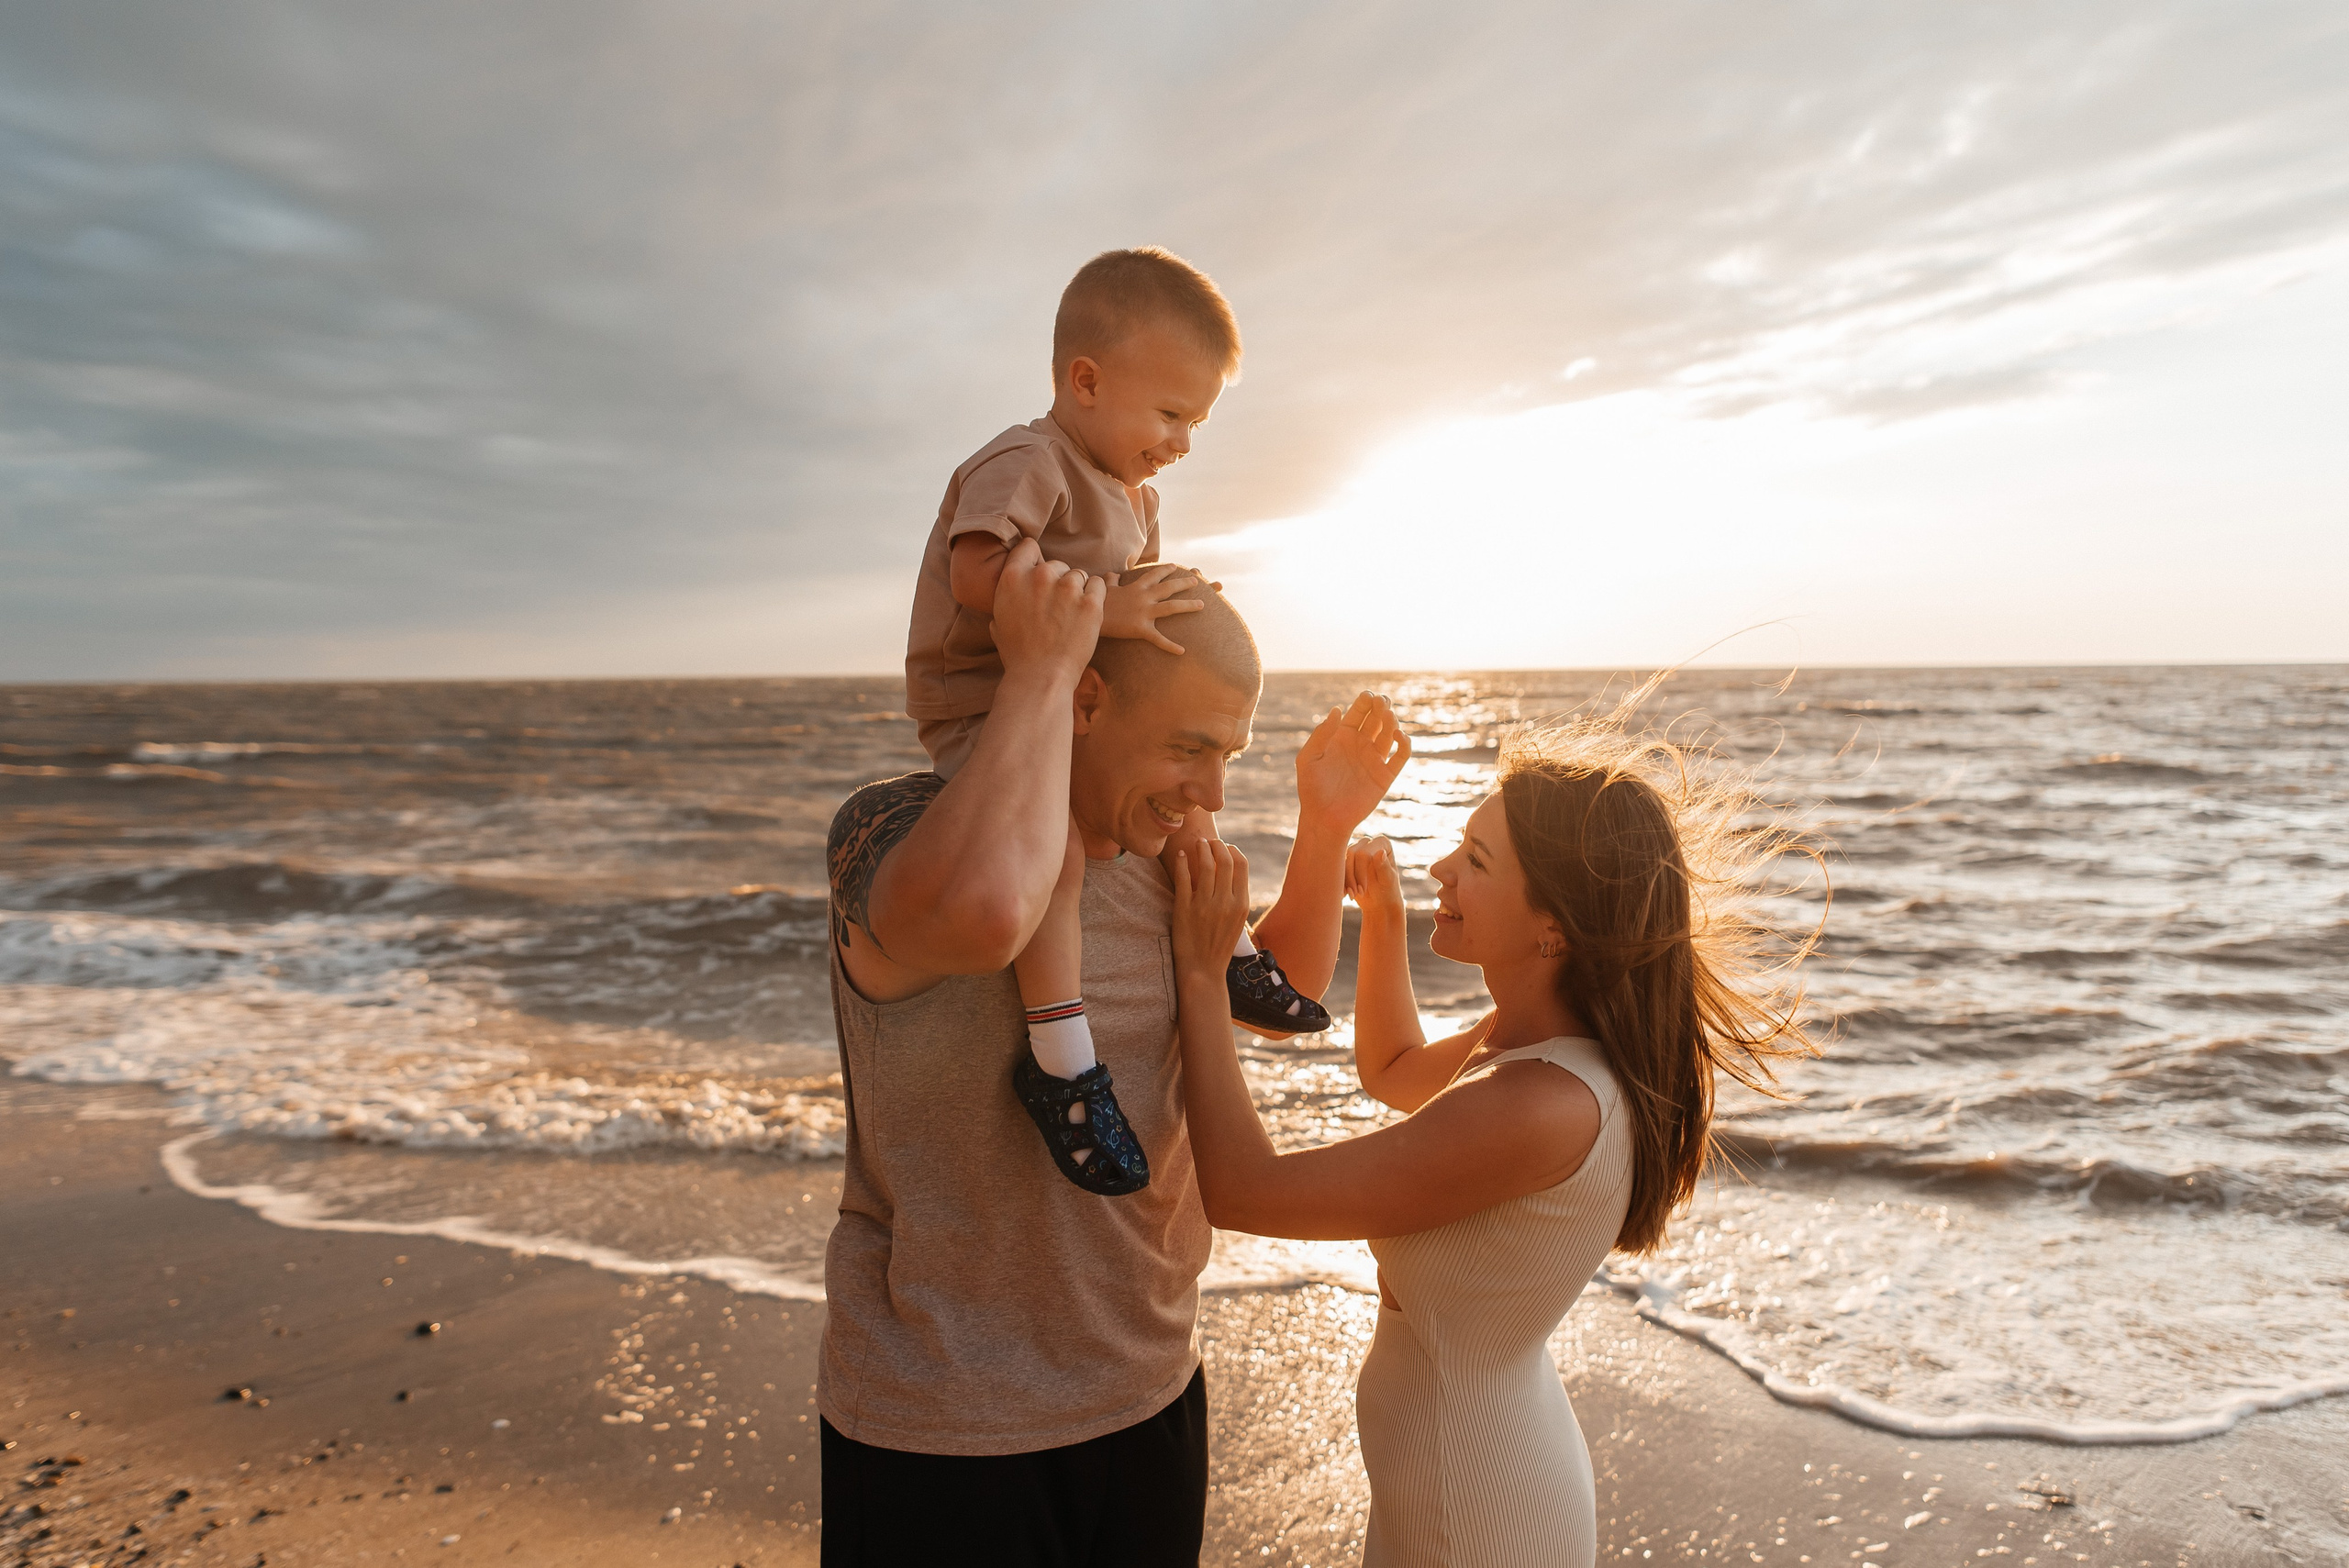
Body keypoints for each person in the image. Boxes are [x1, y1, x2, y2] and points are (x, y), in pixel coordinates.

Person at [822, 538, 1409, 1565]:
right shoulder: (898, 828)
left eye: (1231, 752)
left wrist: (1322, 825)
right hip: (948, 1421)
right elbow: (973, 919)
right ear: (1085, 701)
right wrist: (1037, 676)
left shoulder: (1155, 855)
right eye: (1190, 747)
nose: (1213, 793)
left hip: (1149, 1389)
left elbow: (1273, 988)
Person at [1169, 722, 1820, 1568]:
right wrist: (1389, 916)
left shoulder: (1538, 1104)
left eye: (1475, 859)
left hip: (1473, 1514)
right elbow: (1398, 1068)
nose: (1442, 867)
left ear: (1554, 927)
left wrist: (1196, 967)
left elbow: (1244, 1191)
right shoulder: (1541, 1043)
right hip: (1464, 1483)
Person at [903, 246, 1330, 1198]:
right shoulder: (1029, 459)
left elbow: (1132, 608)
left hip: (1072, 688)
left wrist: (1170, 603)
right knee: (1050, 842)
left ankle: (1237, 955)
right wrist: (1108, 607)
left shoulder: (1139, 497)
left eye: (1197, 422)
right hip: (985, 698)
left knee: (1192, 787)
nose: (1181, 440)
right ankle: (1061, 1062)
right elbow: (977, 574)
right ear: (1084, 381)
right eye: (1171, 414)